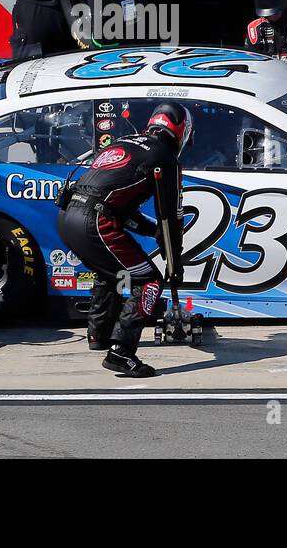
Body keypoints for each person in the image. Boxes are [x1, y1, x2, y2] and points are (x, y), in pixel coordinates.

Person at [54, 102, 191, 378]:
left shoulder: (123, 142)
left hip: (68, 217)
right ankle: (121, 352)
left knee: (113, 271)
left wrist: (152, 232)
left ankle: (99, 334)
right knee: (149, 280)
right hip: (95, 221)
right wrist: (174, 263)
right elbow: (172, 216)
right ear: (181, 132)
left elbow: (118, 204)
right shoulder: (165, 158)